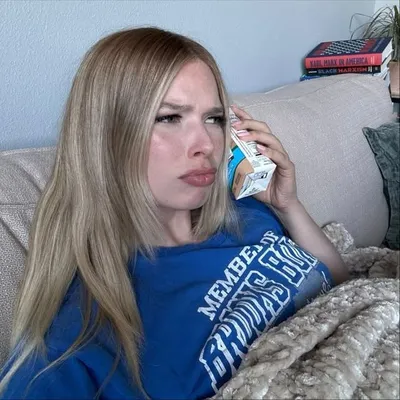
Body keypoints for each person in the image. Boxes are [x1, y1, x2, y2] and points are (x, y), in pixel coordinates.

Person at [0, 27, 349, 399]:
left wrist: (287, 205)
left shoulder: (244, 206)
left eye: (214, 119)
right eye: (169, 118)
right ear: (105, 136)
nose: (206, 145)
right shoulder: (75, 346)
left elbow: (339, 286)